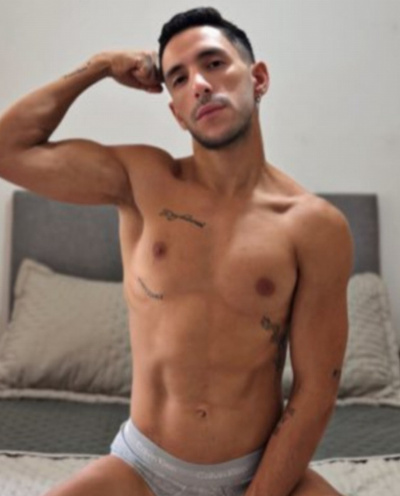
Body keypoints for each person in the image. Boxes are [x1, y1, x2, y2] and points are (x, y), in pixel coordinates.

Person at [0, 7, 353, 496]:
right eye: (179, 79)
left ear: (258, 79)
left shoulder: (315, 226)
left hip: (261, 474)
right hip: (142, 470)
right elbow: (8, 150)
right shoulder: (142, 180)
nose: (200, 85)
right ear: (175, 111)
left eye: (214, 64)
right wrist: (99, 65)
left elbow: (316, 390)